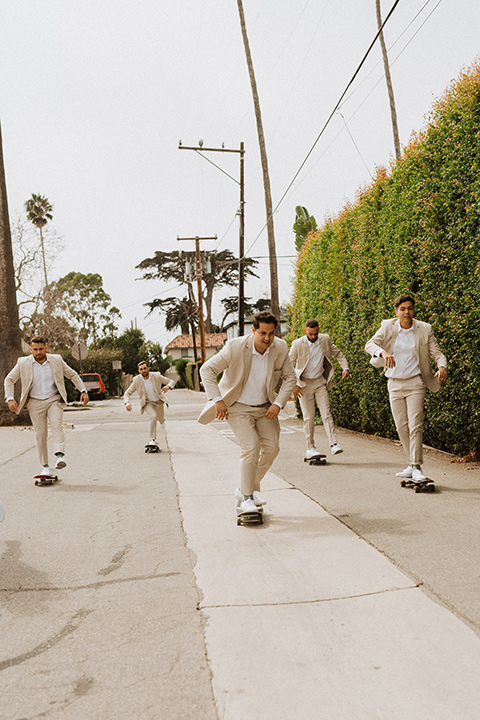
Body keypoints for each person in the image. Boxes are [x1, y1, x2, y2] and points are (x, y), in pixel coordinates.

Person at [198, 311, 296, 513]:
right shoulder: (235, 347)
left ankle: (244, 488)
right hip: (237, 407)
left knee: (272, 448)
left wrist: (278, 403)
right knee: (250, 447)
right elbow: (206, 370)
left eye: (271, 333)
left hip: (265, 407)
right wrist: (217, 400)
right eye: (262, 333)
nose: (267, 338)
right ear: (253, 330)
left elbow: (290, 378)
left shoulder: (280, 347)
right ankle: (247, 498)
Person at [365, 293, 447, 482]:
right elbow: (369, 344)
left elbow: (438, 354)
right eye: (402, 309)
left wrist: (442, 366)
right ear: (397, 312)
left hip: (415, 383)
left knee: (415, 425)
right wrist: (383, 353)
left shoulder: (425, 329)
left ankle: (417, 466)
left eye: (410, 308)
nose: (406, 312)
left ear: (413, 310)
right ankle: (410, 464)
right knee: (401, 426)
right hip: (394, 384)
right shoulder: (387, 326)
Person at [4, 336, 89, 476]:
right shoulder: (22, 362)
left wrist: (83, 390)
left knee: (56, 424)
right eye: (35, 349)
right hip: (34, 402)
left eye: (41, 349)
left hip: (53, 399)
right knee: (40, 434)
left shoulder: (56, 360)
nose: (38, 352)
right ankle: (45, 466)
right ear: (30, 349)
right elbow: (9, 379)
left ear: (46, 348)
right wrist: (10, 398)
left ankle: (60, 455)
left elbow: (72, 374)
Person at [289, 319, 349, 458]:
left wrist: (345, 367)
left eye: (315, 333)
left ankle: (334, 444)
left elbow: (338, 354)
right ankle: (310, 447)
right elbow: (288, 365)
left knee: (326, 413)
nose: (313, 336)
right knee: (309, 417)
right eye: (310, 334)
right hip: (303, 385)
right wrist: (294, 385)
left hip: (320, 383)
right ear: (305, 331)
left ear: (319, 330)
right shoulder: (297, 344)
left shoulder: (325, 339)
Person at [124, 361, 175, 447]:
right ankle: (152, 439)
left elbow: (171, 381)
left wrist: (168, 386)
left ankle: (162, 422)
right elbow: (127, 393)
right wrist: (127, 403)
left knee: (160, 418)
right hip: (148, 403)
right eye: (141, 369)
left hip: (158, 401)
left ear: (148, 368)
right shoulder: (136, 380)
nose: (143, 370)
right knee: (153, 416)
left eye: (145, 368)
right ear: (139, 371)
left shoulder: (156, 376)